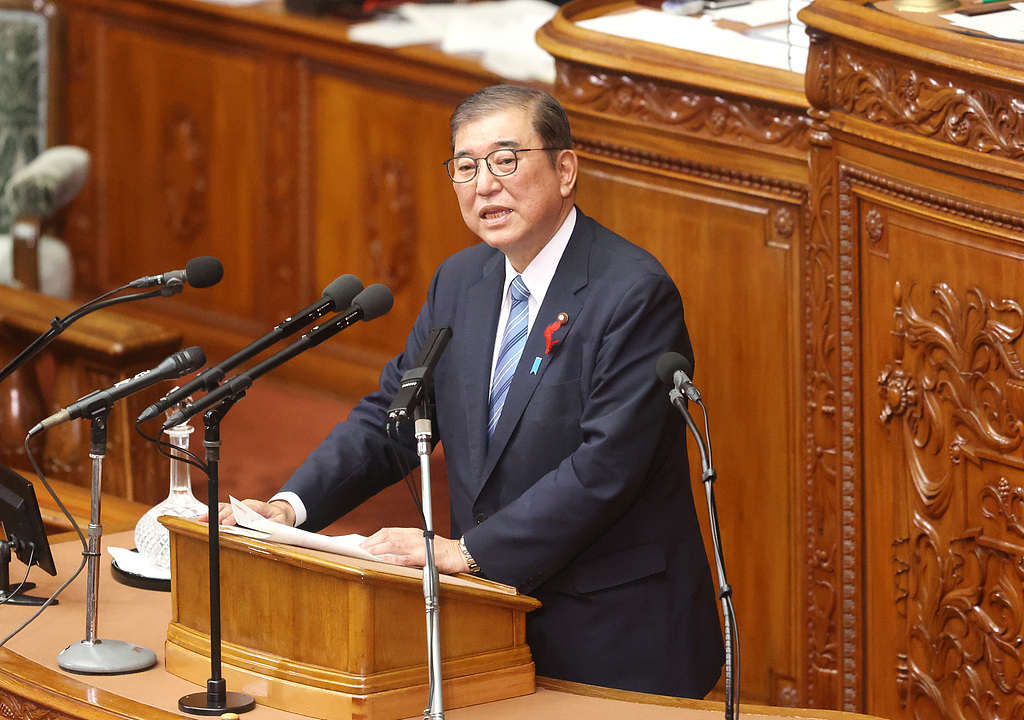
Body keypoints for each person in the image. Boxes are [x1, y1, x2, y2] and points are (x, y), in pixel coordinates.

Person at [218, 84, 724, 697]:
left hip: (614, 633)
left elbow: (606, 468)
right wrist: (289, 509)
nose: (484, 184)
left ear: (565, 169)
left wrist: (470, 552)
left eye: (506, 160)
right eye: (465, 166)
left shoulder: (633, 293)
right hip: (485, 626)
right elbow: (394, 419)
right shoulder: (460, 282)